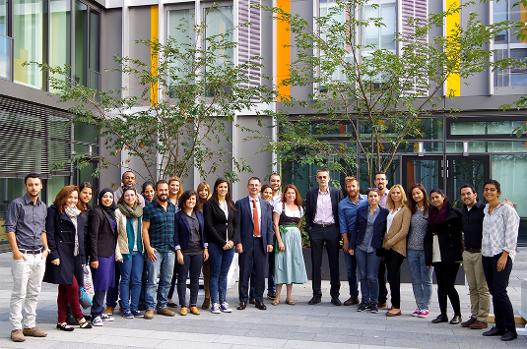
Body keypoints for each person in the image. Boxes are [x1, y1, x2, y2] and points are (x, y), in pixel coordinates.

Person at [6, 173, 49, 342]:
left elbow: (43, 230)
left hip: (39, 256)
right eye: (30, 184)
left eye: (36, 184)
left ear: (41, 186)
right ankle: (16, 328)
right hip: (22, 255)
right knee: (19, 293)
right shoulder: (17, 204)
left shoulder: (43, 206)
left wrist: (46, 249)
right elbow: (10, 228)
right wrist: (16, 252)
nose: (33, 187)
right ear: (26, 186)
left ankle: (30, 326)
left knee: (34, 293)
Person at [44, 185, 92, 330]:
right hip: (61, 255)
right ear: (63, 196)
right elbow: (50, 233)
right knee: (73, 287)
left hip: (76, 256)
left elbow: (81, 238)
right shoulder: (53, 210)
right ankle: (79, 317)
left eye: (75, 198)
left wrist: (84, 259)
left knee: (64, 289)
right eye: (69, 197)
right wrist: (53, 254)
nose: (72, 200)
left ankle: (61, 321)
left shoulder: (79, 213)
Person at [481, 180, 520, 341]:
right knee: (494, 292)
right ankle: (499, 326)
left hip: (501, 255)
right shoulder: (485, 209)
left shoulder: (507, 210)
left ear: (498, 192)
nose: (488, 192)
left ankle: (511, 329)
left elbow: (512, 235)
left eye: (492, 190)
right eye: (486, 189)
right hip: (487, 255)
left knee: (500, 292)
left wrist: (505, 255)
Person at [235, 177, 274, 311]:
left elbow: (269, 225)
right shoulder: (240, 204)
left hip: (261, 243)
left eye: (256, 185)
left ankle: (259, 300)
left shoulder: (266, 205)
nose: (254, 187)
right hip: (246, 243)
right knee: (245, 272)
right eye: (251, 185)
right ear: (248, 186)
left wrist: (270, 242)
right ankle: (243, 300)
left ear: (260, 187)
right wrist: (238, 242)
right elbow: (237, 226)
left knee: (260, 273)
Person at [305, 168, 342, 306]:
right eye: (320, 177)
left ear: (329, 178)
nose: (322, 179)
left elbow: (340, 212)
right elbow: (308, 212)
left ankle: (335, 295)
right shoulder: (311, 193)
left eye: (324, 177)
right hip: (317, 230)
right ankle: (316, 294)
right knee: (316, 264)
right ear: (316, 179)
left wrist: (338, 230)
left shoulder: (336, 193)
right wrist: (310, 229)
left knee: (334, 264)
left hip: (332, 229)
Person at [426, 188, 463, 325]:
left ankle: (457, 314)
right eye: (433, 198)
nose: (435, 200)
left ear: (443, 197)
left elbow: (462, 232)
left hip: (450, 253)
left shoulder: (455, 213)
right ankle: (443, 314)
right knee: (441, 286)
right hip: (436, 252)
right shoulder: (432, 213)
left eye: (437, 197)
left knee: (449, 285)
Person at [142, 180, 177, 319]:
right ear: (156, 191)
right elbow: (144, 229)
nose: (164, 192)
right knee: (152, 280)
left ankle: (162, 306)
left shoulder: (172, 207)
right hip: (155, 250)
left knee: (167, 280)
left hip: (170, 249)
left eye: (166, 190)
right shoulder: (149, 208)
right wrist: (148, 248)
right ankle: (150, 307)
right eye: (161, 190)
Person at [203, 178, 238, 315]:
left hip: (230, 245)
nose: (223, 189)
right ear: (216, 188)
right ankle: (215, 303)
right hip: (215, 245)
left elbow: (236, 225)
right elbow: (209, 226)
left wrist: (232, 242)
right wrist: (222, 242)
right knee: (215, 274)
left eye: (225, 187)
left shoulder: (231, 204)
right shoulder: (209, 204)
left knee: (224, 274)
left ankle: (223, 301)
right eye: (220, 187)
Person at [352, 188, 389, 313]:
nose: (373, 198)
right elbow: (354, 229)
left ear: (379, 198)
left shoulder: (384, 213)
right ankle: (364, 301)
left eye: (375, 196)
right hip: (361, 247)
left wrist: (384, 249)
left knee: (372, 276)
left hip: (375, 248)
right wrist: (352, 246)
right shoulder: (361, 211)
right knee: (362, 276)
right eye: (370, 196)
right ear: (367, 199)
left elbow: (386, 232)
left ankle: (374, 302)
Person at [459, 184, 490, 330]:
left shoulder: (484, 209)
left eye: (468, 194)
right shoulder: (464, 211)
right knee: (472, 288)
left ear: (475, 194)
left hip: (480, 253)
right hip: (467, 253)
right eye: (463, 194)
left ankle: (483, 318)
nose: (466, 197)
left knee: (482, 288)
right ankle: (474, 316)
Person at [174, 190, 209, 316]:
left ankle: (193, 305)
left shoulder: (199, 214)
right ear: (184, 201)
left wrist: (205, 248)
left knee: (194, 279)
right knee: (182, 278)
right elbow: (175, 235)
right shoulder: (178, 216)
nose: (191, 201)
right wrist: (178, 251)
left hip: (198, 251)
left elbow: (204, 233)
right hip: (184, 251)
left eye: (193, 199)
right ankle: (183, 305)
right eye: (189, 199)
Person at [272, 184, 308, 305]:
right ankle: (277, 297)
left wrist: (297, 238)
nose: (291, 195)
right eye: (288, 193)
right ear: (285, 194)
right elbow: (275, 225)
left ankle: (289, 297)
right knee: (281, 265)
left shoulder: (299, 208)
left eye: (293, 193)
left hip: (295, 240)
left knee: (291, 265)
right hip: (284, 237)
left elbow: (298, 225)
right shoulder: (279, 206)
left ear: (296, 195)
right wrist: (280, 240)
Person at [88, 189, 118, 326]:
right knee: (100, 284)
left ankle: (100, 310)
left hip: (110, 254)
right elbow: (92, 236)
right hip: (100, 254)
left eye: (110, 197)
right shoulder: (97, 212)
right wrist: (94, 258)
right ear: (100, 198)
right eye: (105, 196)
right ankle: (95, 314)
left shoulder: (111, 212)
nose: (108, 199)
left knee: (106, 283)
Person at [115, 186, 144, 319]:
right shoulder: (118, 212)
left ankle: (135, 307)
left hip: (139, 250)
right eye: (127, 195)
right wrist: (117, 253)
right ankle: (126, 308)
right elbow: (115, 235)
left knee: (137, 280)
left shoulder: (140, 212)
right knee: (125, 279)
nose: (130, 198)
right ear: (123, 197)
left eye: (132, 195)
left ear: (136, 197)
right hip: (125, 250)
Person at [382, 184, 411, 317]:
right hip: (387, 248)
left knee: (393, 276)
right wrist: (385, 244)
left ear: (402, 194)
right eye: (393, 193)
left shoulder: (406, 209)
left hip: (397, 248)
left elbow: (404, 231)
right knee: (391, 276)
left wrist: (390, 242)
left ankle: (397, 306)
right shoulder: (391, 209)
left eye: (398, 193)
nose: (395, 195)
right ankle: (394, 304)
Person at [338, 176, 367, 306]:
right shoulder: (342, 204)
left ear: (358, 187)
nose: (351, 189)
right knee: (350, 271)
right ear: (346, 188)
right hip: (349, 238)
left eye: (353, 186)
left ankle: (367, 297)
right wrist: (345, 241)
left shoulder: (366, 200)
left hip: (364, 239)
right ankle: (354, 296)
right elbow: (342, 224)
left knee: (364, 270)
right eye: (349, 187)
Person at [406, 184, 433, 318]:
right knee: (416, 280)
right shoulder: (411, 209)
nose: (416, 196)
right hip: (411, 250)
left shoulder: (430, 210)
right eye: (413, 194)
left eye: (418, 193)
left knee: (426, 280)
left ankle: (425, 306)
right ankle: (419, 305)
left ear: (423, 193)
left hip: (425, 251)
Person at [167, 176, 183, 307]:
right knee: (167, 271)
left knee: (175, 272)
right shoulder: (163, 200)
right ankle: (162, 297)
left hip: (180, 239)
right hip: (166, 238)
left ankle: (169, 297)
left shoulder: (182, 201)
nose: (175, 188)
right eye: (172, 185)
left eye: (177, 185)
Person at [196, 181, 212, 309]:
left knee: (209, 271)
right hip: (196, 242)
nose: (203, 192)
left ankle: (209, 297)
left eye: (206, 190)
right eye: (201, 190)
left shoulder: (212, 204)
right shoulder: (195, 205)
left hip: (211, 241)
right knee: (201, 271)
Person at [375, 172, 389, 309]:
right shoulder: (371, 197)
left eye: (382, 179)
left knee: (389, 270)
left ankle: (392, 300)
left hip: (389, 238)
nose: (380, 181)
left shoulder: (392, 195)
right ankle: (381, 298)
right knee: (378, 270)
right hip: (375, 240)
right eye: (378, 179)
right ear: (375, 181)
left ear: (386, 181)